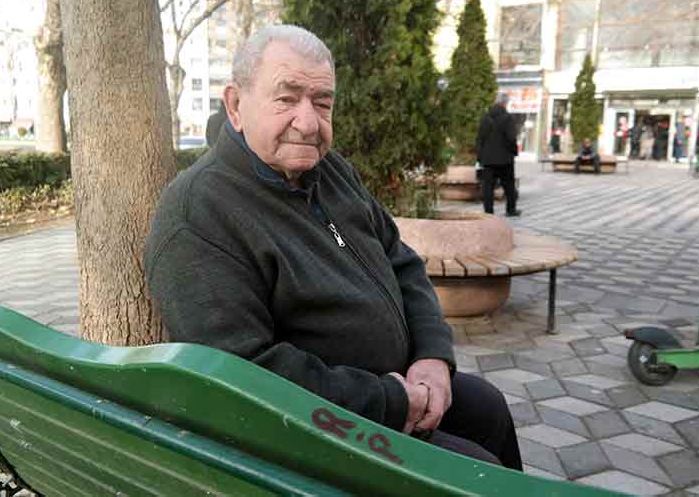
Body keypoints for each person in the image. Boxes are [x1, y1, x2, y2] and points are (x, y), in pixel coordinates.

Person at [145, 25, 521, 470]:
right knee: (477, 472)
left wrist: (433, 356)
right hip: (314, 431)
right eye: (286, 98)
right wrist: (391, 401)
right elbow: (245, 372)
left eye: (322, 103)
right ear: (235, 105)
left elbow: (401, 261)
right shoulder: (199, 213)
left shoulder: (331, 172)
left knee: (489, 408)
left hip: (396, 387)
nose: (308, 123)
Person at [476, 95, 520, 217]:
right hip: (505, 159)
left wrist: (480, 156)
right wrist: (513, 152)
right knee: (509, 185)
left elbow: (480, 138)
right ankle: (511, 210)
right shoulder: (508, 118)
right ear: (505, 104)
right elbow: (511, 138)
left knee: (488, 187)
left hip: (488, 159)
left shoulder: (485, 117)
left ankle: (488, 212)